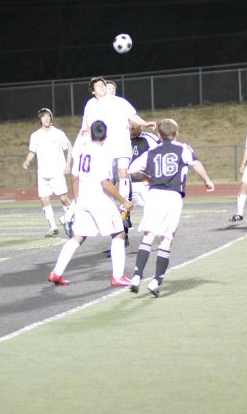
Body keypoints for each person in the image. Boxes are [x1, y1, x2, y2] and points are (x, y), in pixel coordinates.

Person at [128, 118, 214, 297]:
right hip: (172, 196)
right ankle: (156, 281)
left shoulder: (151, 150)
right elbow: (195, 163)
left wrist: (145, 177)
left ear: (158, 134)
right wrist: (207, 180)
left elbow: (132, 169)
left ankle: (137, 276)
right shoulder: (183, 148)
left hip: (153, 195)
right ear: (177, 133)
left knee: (148, 236)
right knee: (166, 239)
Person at [47, 120, 133, 287]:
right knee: (119, 234)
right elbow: (105, 183)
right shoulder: (103, 153)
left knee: (78, 236)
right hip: (99, 200)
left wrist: (78, 199)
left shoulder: (81, 151)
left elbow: (74, 178)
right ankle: (118, 276)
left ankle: (56, 272)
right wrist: (124, 201)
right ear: (105, 135)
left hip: (84, 200)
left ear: (91, 134)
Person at [78, 76, 156, 226]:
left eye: (103, 84)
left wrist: (145, 123)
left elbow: (132, 116)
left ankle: (123, 208)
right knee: (107, 179)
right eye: (98, 86)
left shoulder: (119, 102)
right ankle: (112, 208)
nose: (102, 87)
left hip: (121, 143)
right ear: (93, 91)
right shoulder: (90, 105)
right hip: (104, 147)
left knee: (122, 172)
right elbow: (88, 124)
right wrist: (86, 130)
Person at [23, 108, 73, 237]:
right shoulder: (35, 135)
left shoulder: (59, 133)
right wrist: (27, 161)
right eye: (43, 116)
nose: (46, 118)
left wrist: (68, 165)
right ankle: (53, 227)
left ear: (51, 118)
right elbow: (32, 151)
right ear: (39, 119)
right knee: (44, 199)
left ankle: (70, 220)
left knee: (63, 198)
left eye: (48, 116)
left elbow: (69, 148)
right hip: (43, 174)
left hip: (57, 172)